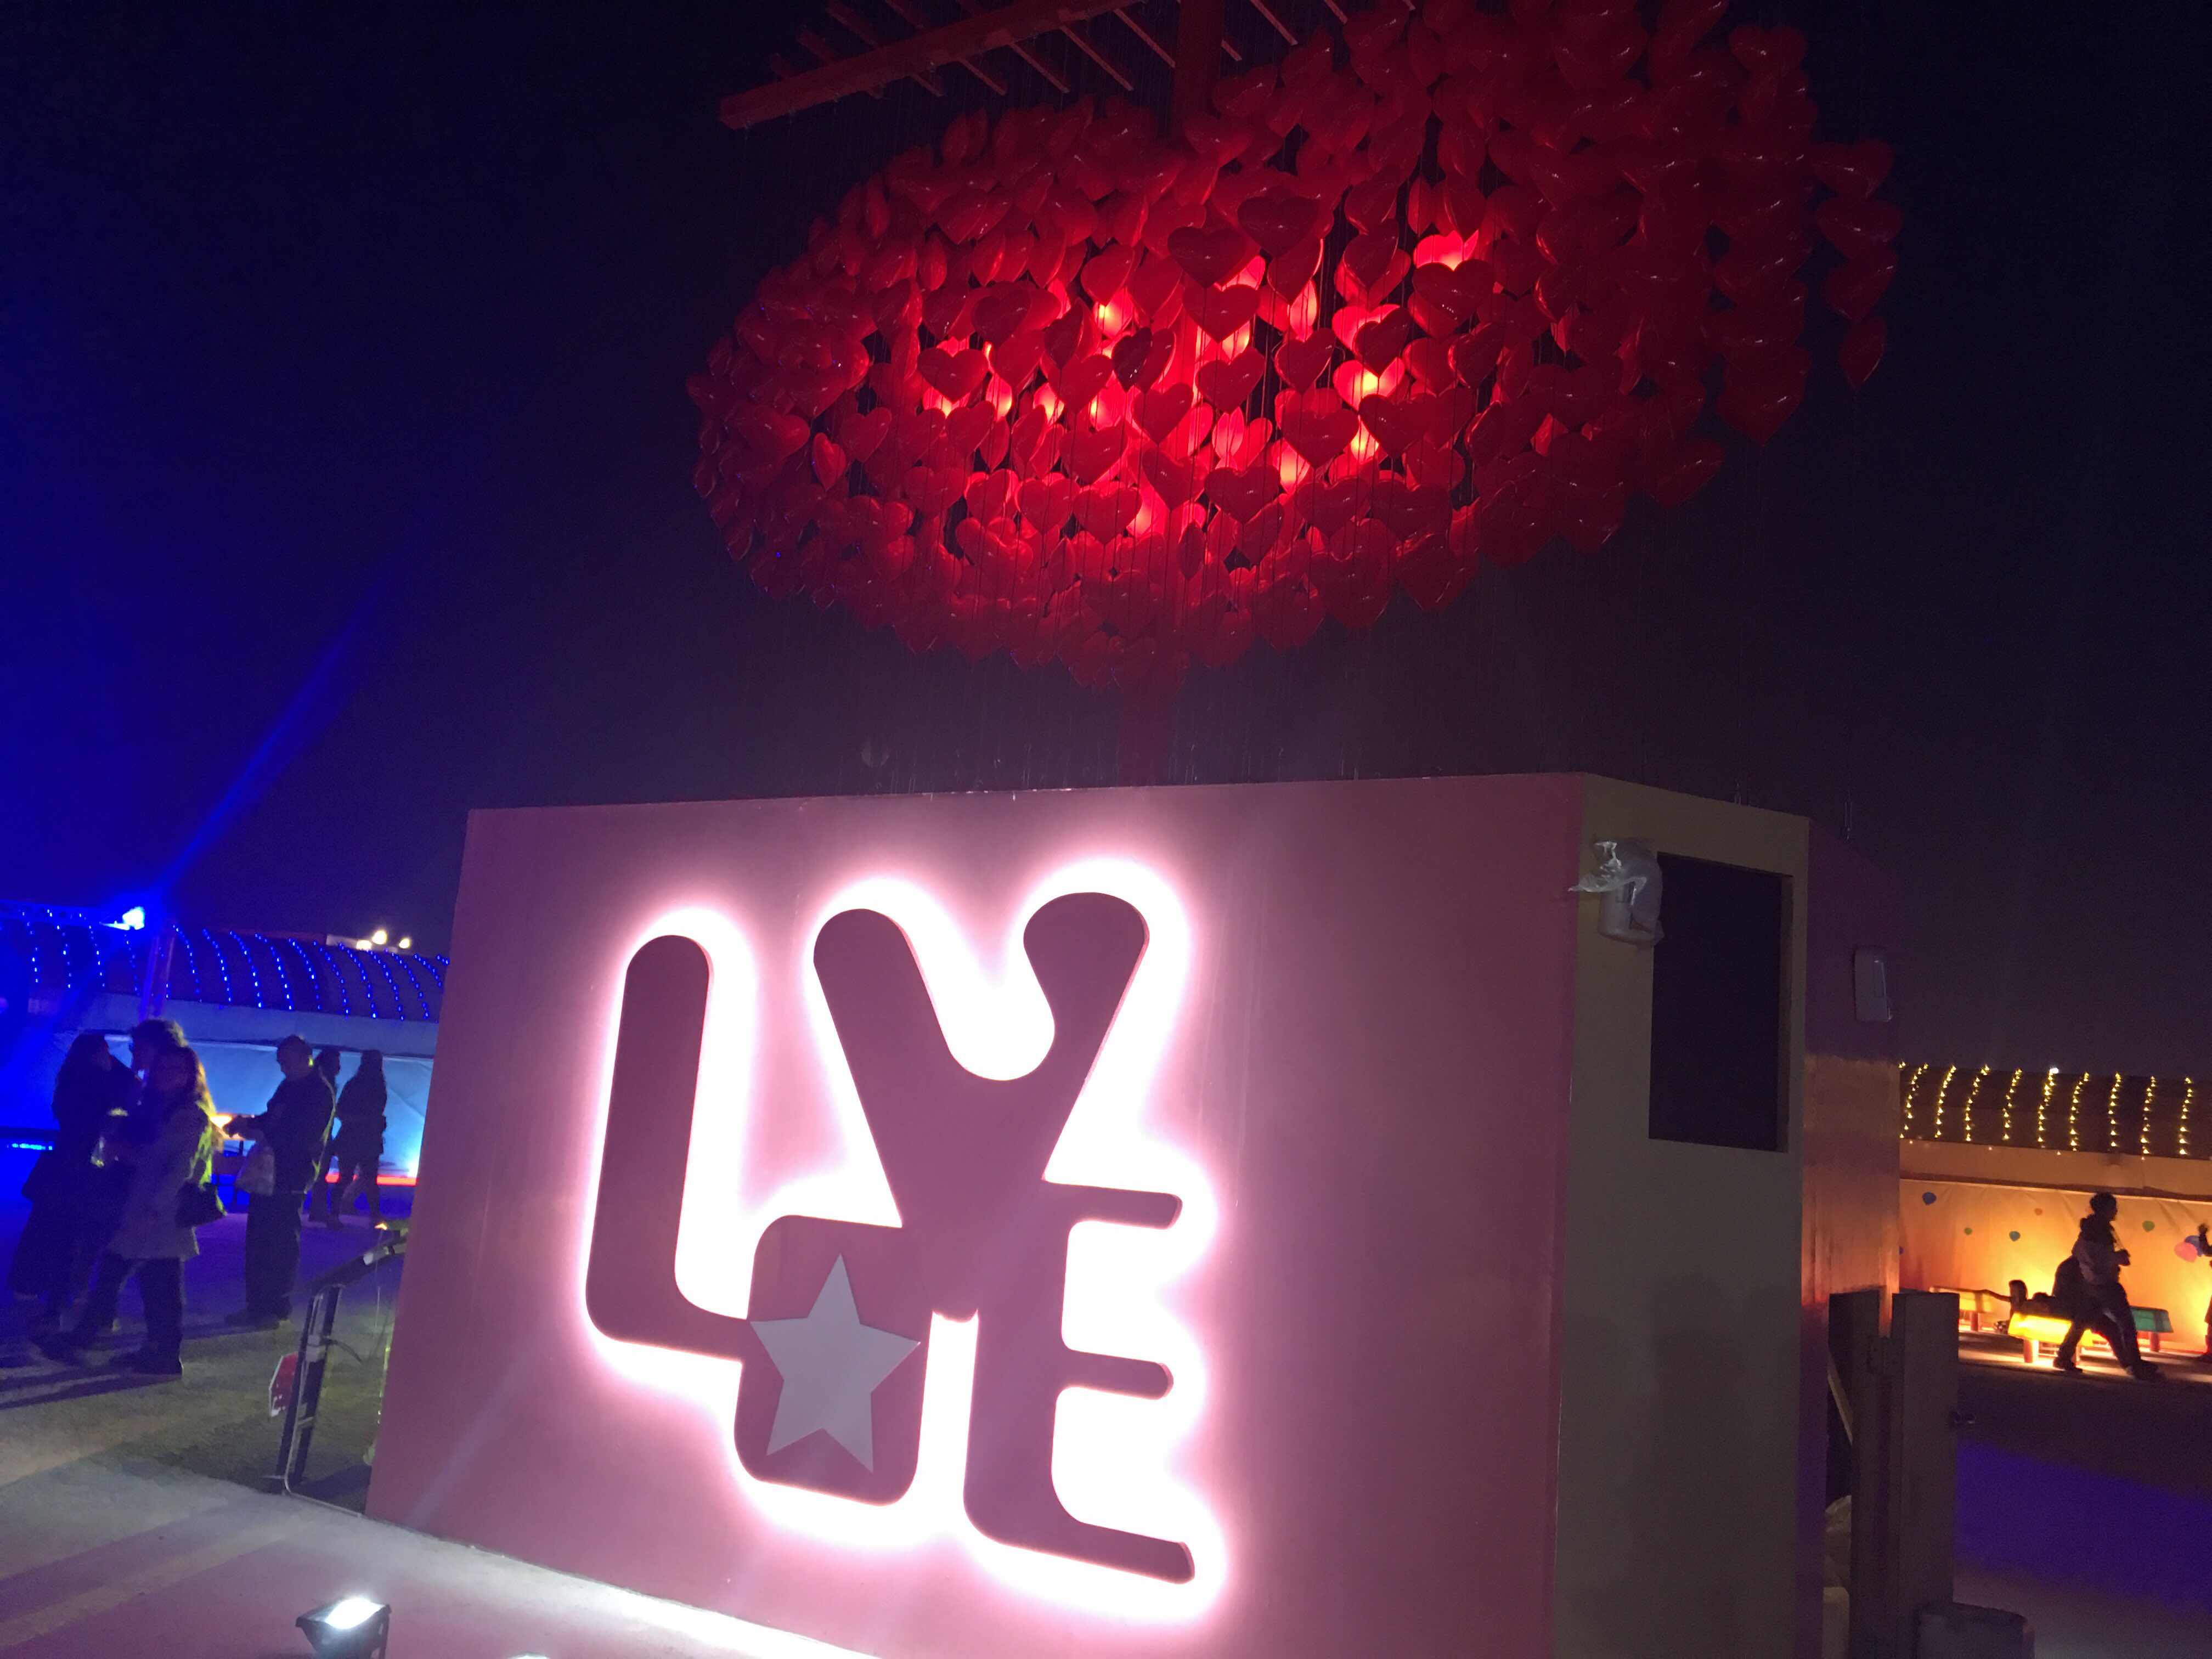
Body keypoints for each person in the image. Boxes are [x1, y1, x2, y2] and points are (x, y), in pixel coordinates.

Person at [36, 1045, 221, 1376]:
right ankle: (151, 1349)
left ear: (189, 1077)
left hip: (159, 1209)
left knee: (142, 1277)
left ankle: (105, 1342)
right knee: (145, 1277)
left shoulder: (189, 1115)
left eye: (175, 1070)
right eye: (162, 1067)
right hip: (144, 1204)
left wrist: (153, 1209)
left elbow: (180, 1168)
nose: (165, 1075)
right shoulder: (159, 1108)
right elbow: (157, 1159)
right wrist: (126, 1151)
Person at [8, 1033, 134, 1330]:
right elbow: (128, 1089)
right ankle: (65, 1296)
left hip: (63, 1165)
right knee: (76, 1234)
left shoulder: (70, 1081)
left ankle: (31, 1286)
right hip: (87, 1168)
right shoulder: (102, 1084)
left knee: (46, 1226)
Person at [227, 1034, 334, 1327]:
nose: (283, 1067)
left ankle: (275, 1306)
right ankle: (258, 1305)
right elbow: (274, 1118)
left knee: (280, 1243)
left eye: (286, 1061)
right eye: (281, 1062)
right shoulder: (292, 1086)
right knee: (260, 1240)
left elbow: (303, 1135)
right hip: (272, 1173)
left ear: (305, 1057)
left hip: (291, 1175)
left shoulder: (319, 1092)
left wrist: (261, 1132)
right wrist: (250, 1124)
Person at [2055, 1192, 2160, 1380]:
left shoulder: (2090, 1230)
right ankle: (2135, 1364)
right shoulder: (2101, 1232)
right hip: (2106, 1284)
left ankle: (2064, 1356)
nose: (2116, 1211)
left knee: (2083, 1321)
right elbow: (2097, 1258)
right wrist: (2116, 1259)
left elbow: (2081, 1254)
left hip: (2092, 1285)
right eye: (2113, 1207)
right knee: (2126, 1323)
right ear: (2106, 1209)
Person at [323, 1049, 387, 1227]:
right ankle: (375, 1216)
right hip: (369, 1138)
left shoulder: (354, 1084)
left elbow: (340, 1110)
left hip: (351, 1137)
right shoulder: (379, 1086)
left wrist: (353, 1120)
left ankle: (335, 1214)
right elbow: (376, 1112)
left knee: (345, 1178)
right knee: (370, 1180)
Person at [302, 1046, 346, 1215]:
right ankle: (317, 1210)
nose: (339, 1067)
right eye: (336, 1063)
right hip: (319, 1135)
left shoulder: (322, 1082)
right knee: (319, 1174)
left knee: (320, 1174)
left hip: (322, 1134)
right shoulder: (322, 1085)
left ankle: (317, 1209)